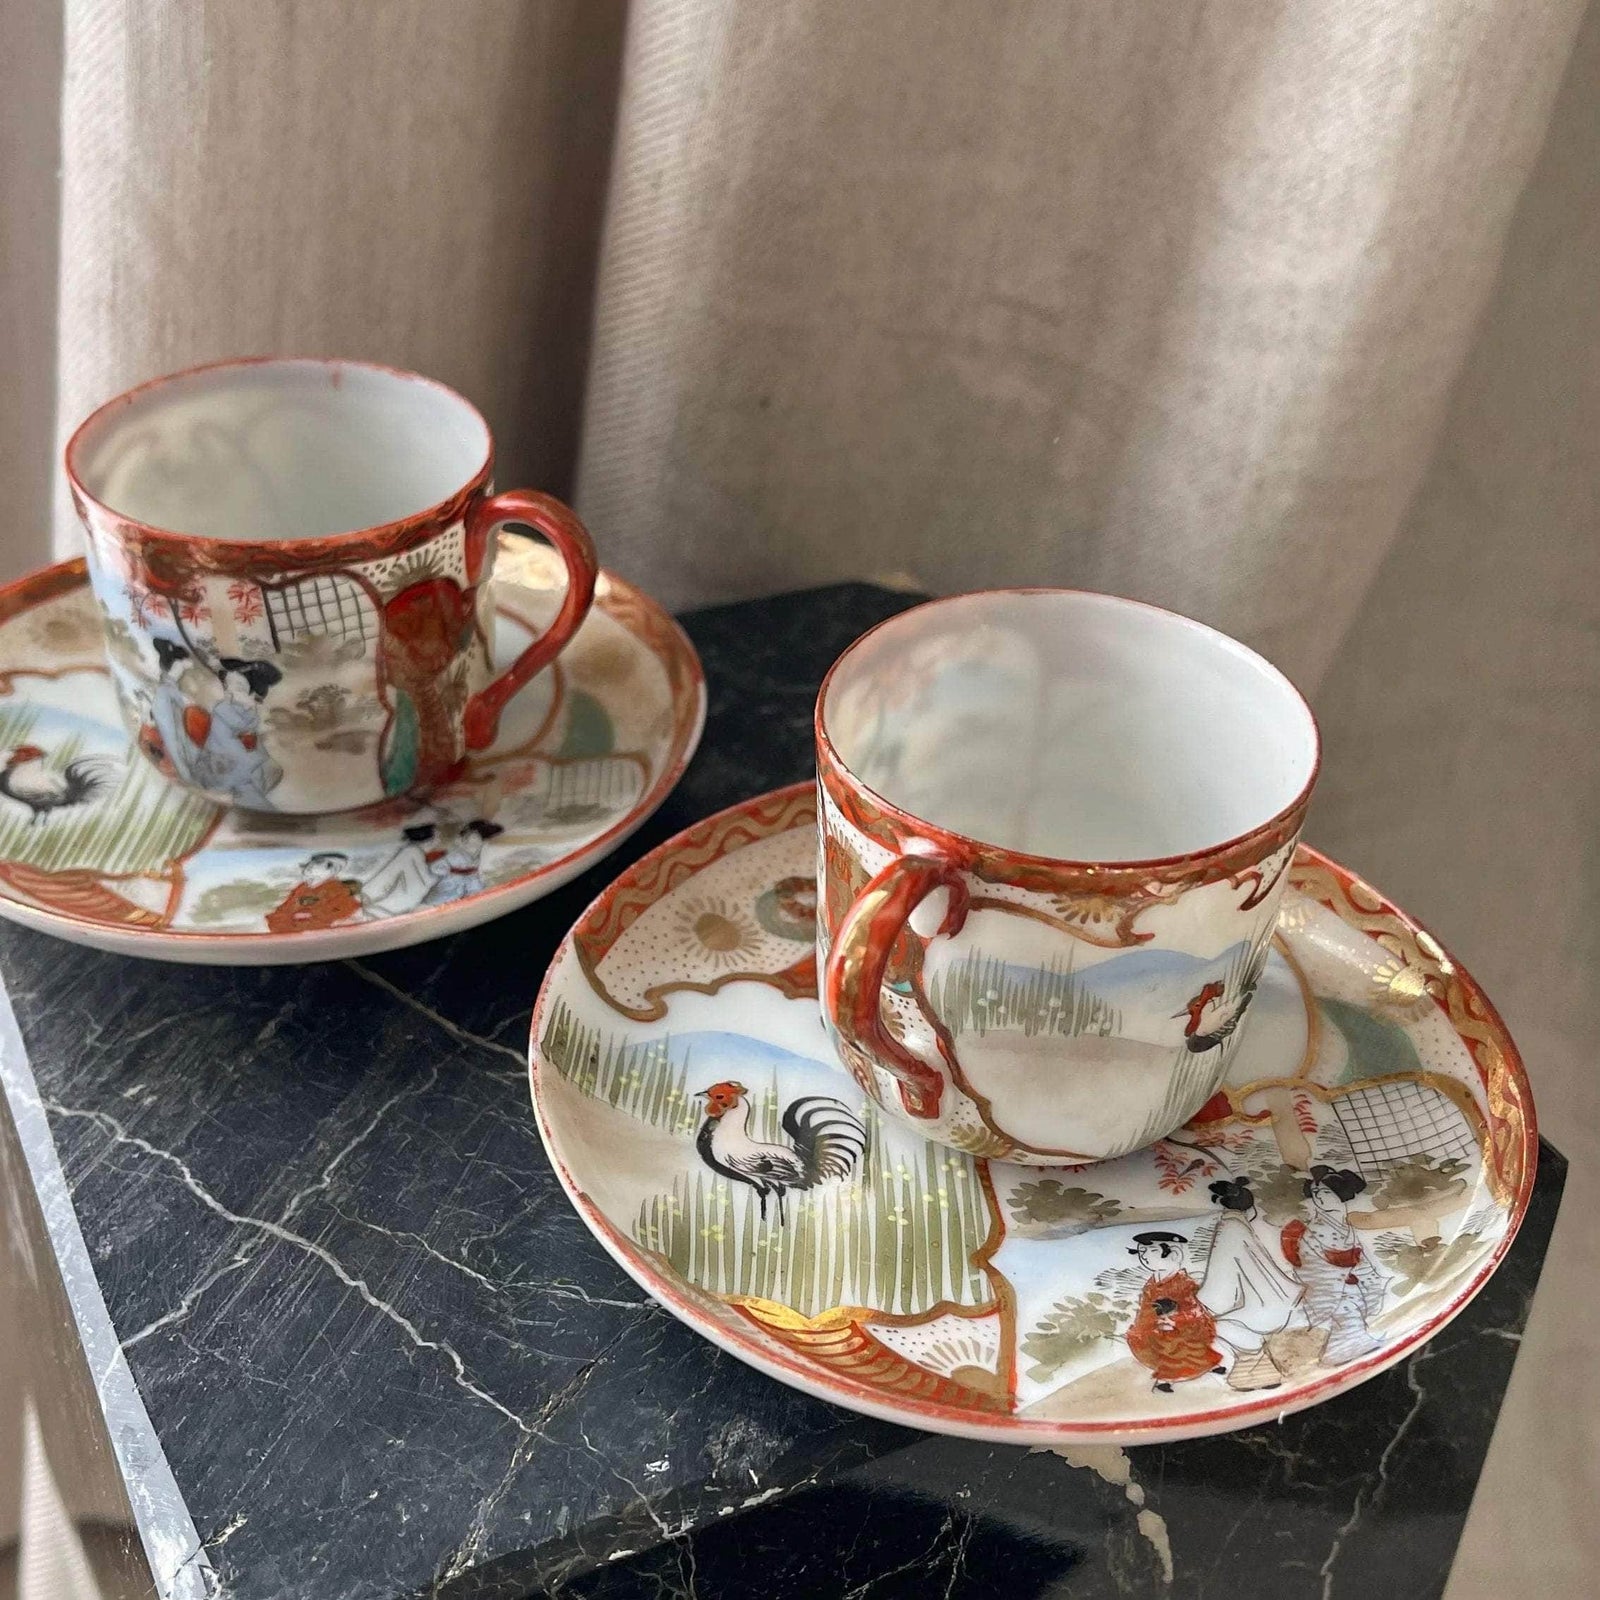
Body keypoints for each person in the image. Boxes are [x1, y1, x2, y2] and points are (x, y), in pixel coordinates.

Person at [1197, 1177, 1318, 1390]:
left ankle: (1258, 1370)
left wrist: (1205, 1299)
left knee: (1218, 1326)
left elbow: (1222, 1272)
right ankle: (1261, 1369)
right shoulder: (1238, 1226)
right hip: (1268, 1297)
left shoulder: (1230, 1228)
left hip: (1260, 1304)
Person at [1281, 1166, 1388, 1364]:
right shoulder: (1316, 1229)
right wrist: (1348, 1278)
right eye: (1315, 1194)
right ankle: (1341, 1349)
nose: (1319, 1198)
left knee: (1364, 1295)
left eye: (1324, 1193)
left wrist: (1371, 1279)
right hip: (1326, 1286)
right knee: (1348, 1305)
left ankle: (1351, 1343)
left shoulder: (1342, 1225)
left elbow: (1359, 1260)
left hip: (1346, 1281)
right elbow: (1314, 1268)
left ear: (1341, 1193)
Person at [1124, 1232, 1226, 1392]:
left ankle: (1165, 1380)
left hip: (1181, 1326)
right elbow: (1146, 1307)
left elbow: (1191, 1305)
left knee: (1175, 1350)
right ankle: (1209, 1367)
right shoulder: (1152, 1283)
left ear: (1174, 1254)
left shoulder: (1182, 1282)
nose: (1144, 1257)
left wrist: (1176, 1320)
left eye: (1150, 1251)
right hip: (1158, 1325)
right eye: (1142, 1253)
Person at [191, 657, 283, 809]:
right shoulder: (222, 711)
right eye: (228, 685)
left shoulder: (249, 714)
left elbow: (254, 745)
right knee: (248, 791)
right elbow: (227, 750)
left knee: (263, 775)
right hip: (221, 769)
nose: (230, 691)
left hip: (243, 767)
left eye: (239, 687)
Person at [359, 822, 446, 918]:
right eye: (437, 834)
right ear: (430, 838)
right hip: (386, 910)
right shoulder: (411, 852)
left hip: (397, 910)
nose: (439, 837)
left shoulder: (416, 854)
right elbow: (382, 880)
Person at [265, 853, 363, 935]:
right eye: (309, 863)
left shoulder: (338, 890)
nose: (309, 866)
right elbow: (283, 909)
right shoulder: (301, 888)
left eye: (318, 863)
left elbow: (344, 913)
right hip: (287, 934)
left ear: (333, 869)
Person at [149, 638, 202, 786]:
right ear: (173, 667)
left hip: (175, 725)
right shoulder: (166, 688)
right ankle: (189, 777)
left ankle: (193, 773)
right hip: (171, 727)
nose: (181, 671)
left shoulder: (168, 686)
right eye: (180, 667)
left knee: (186, 747)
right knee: (178, 748)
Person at [420, 819, 503, 905]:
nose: (475, 845)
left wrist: (475, 889)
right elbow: (436, 867)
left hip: (460, 889)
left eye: (479, 843)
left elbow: (472, 877)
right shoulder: (455, 855)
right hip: (445, 887)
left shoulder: (476, 859)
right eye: (472, 842)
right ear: (463, 840)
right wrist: (448, 870)